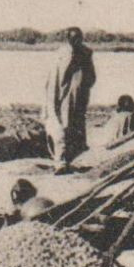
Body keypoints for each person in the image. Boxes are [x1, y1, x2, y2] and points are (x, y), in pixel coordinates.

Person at [44, 26, 96, 172]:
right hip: (62, 98)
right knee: (61, 128)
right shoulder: (61, 54)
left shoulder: (86, 53)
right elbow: (53, 80)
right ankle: (60, 162)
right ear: (68, 40)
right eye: (74, 39)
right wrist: (53, 100)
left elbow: (91, 78)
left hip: (78, 99)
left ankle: (73, 160)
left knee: (76, 128)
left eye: (79, 39)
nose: (77, 42)